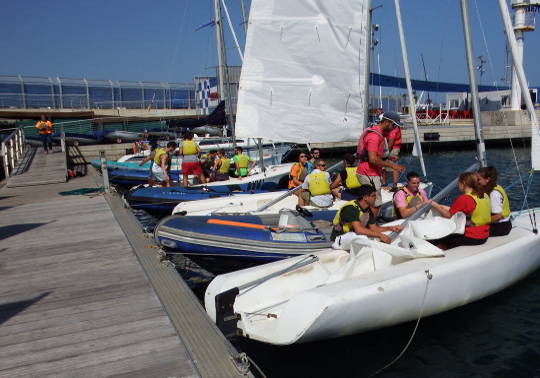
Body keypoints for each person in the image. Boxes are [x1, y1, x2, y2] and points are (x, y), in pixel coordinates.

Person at [356, 111, 405, 214]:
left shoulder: (376, 132)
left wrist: (389, 157)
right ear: (387, 122)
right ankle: (373, 225)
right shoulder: (374, 136)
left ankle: (371, 223)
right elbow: (372, 159)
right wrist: (393, 166)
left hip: (369, 172)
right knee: (375, 202)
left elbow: (372, 154)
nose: (394, 128)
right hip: (368, 173)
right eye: (393, 125)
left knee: (372, 201)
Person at [430, 172, 491, 250]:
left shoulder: (465, 198)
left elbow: (448, 216)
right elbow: (470, 209)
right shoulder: (484, 195)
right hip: (484, 234)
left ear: (463, 183)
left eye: (458, 183)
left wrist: (434, 205)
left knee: (439, 238)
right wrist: (441, 207)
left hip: (473, 236)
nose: (458, 186)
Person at [331, 185, 403, 245]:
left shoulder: (367, 210)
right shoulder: (351, 208)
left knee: (381, 235)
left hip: (352, 235)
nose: (375, 198)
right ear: (365, 197)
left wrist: (391, 228)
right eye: (373, 196)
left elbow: (374, 228)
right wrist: (380, 235)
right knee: (366, 238)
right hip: (340, 238)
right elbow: (358, 230)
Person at [477, 166, 512, 236]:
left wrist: (481, 221)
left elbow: (499, 216)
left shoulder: (493, 194)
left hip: (501, 227)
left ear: (487, 179)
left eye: (479, 179)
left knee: (472, 231)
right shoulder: (496, 187)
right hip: (504, 224)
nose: (477, 182)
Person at [381, 121, 402, 188]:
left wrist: (386, 153)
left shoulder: (394, 127)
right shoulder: (387, 126)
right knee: (383, 166)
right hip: (385, 147)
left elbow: (391, 141)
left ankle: (394, 186)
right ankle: (384, 183)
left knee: (393, 167)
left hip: (393, 148)